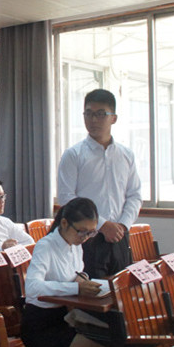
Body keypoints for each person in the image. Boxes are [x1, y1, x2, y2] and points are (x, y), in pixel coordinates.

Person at [21, 197, 117, 347]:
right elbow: (32, 287)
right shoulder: (46, 246)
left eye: (91, 232)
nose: (85, 237)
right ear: (64, 223)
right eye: (82, 231)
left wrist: (82, 278)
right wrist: (76, 287)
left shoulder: (75, 246)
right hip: (42, 328)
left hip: (67, 320)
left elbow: (76, 273)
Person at [58, 89, 142, 278]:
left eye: (101, 114)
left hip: (120, 236)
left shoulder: (126, 155)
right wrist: (103, 225)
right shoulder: (74, 155)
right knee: (94, 291)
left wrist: (123, 225)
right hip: (88, 238)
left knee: (122, 290)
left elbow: (134, 195)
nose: (93, 120)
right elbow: (66, 198)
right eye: (88, 113)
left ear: (114, 118)